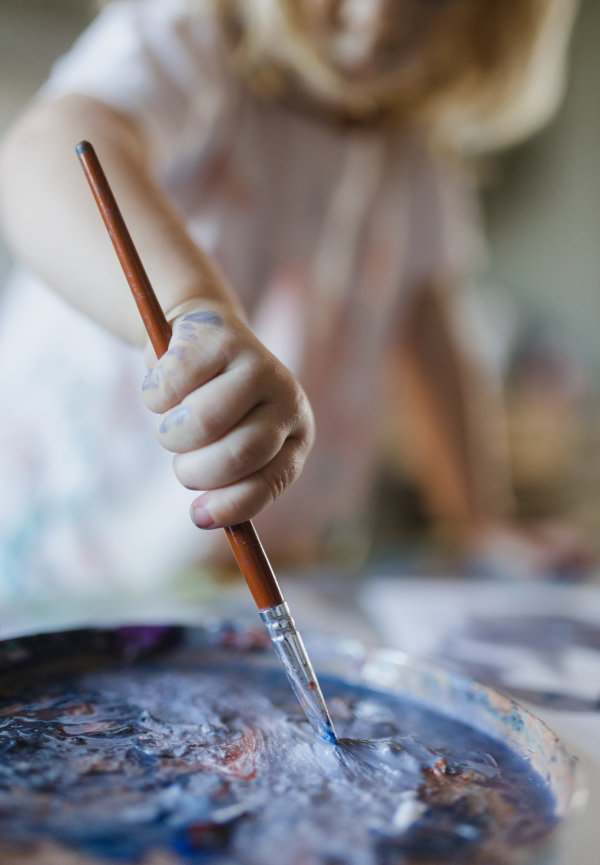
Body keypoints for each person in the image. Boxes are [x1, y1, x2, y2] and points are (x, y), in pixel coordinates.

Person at [0, 0, 582, 600]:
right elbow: (46, 150)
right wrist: (189, 309)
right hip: (65, 554)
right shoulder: (190, 38)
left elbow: (433, 328)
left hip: (252, 570)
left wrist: (477, 522)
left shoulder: (415, 155)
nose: (374, 17)